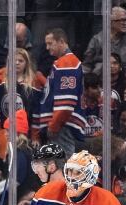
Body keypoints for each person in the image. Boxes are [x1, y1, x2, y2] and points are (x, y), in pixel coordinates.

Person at [38, 28, 85, 157]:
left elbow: (66, 103)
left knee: (62, 168)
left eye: (50, 43)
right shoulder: (63, 62)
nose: (47, 48)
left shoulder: (67, 63)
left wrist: (54, 125)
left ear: (61, 41)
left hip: (62, 126)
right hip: (61, 125)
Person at [82, 7, 126, 77]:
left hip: (124, 80)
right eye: (121, 20)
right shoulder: (97, 39)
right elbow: (86, 65)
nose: (124, 23)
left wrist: (125, 79)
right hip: (99, 80)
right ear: (110, 22)